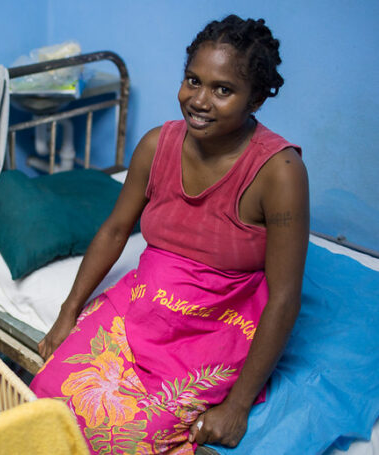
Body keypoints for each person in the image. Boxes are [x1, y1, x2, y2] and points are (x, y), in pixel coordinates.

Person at [30, 14, 309, 454]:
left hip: (219, 319)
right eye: (192, 80)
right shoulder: (156, 145)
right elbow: (116, 230)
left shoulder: (280, 173)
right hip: (144, 302)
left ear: (254, 99)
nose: (199, 100)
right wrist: (68, 314)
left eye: (223, 90)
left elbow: (285, 296)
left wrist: (236, 407)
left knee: (125, 436)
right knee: (45, 396)